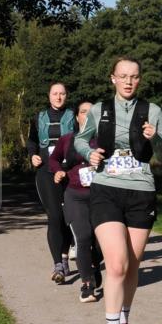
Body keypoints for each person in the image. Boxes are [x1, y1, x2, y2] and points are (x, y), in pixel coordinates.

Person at [74, 57, 162, 324]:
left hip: (141, 192)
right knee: (116, 265)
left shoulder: (152, 111)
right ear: (113, 78)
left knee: (131, 265)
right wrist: (89, 153)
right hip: (106, 190)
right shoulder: (99, 109)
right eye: (123, 76)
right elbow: (80, 140)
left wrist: (155, 138)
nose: (129, 81)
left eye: (134, 76)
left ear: (139, 79)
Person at [49, 101, 104, 303]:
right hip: (74, 195)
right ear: (77, 117)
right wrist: (58, 171)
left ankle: (95, 265)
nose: (87, 116)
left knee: (99, 243)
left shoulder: (105, 139)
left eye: (92, 112)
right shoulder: (67, 139)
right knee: (82, 237)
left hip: (102, 197)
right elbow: (53, 159)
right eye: (83, 112)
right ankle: (87, 285)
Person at [27, 82, 76, 283]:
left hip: (69, 172)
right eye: (55, 93)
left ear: (66, 96)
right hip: (46, 172)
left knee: (67, 217)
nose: (58, 97)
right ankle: (58, 265)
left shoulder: (74, 116)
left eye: (62, 93)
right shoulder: (39, 117)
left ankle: (64, 257)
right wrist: (32, 155)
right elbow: (32, 140)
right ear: (49, 96)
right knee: (55, 216)